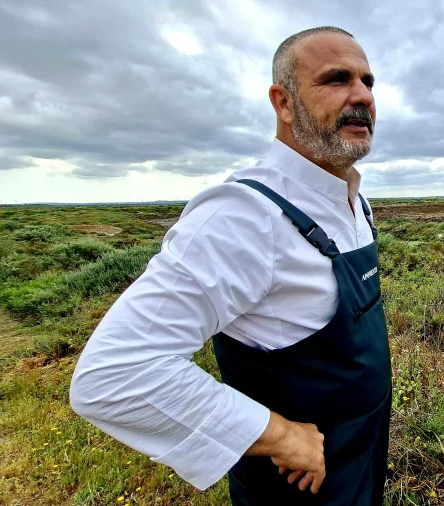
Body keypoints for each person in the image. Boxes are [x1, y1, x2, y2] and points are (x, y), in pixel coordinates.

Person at [69, 26, 391, 505]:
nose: (362, 95)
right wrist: (281, 435)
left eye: (368, 81)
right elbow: (114, 373)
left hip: (361, 458)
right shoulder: (244, 216)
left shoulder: (352, 202)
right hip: (300, 488)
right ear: (283, 103)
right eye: (336, 79)